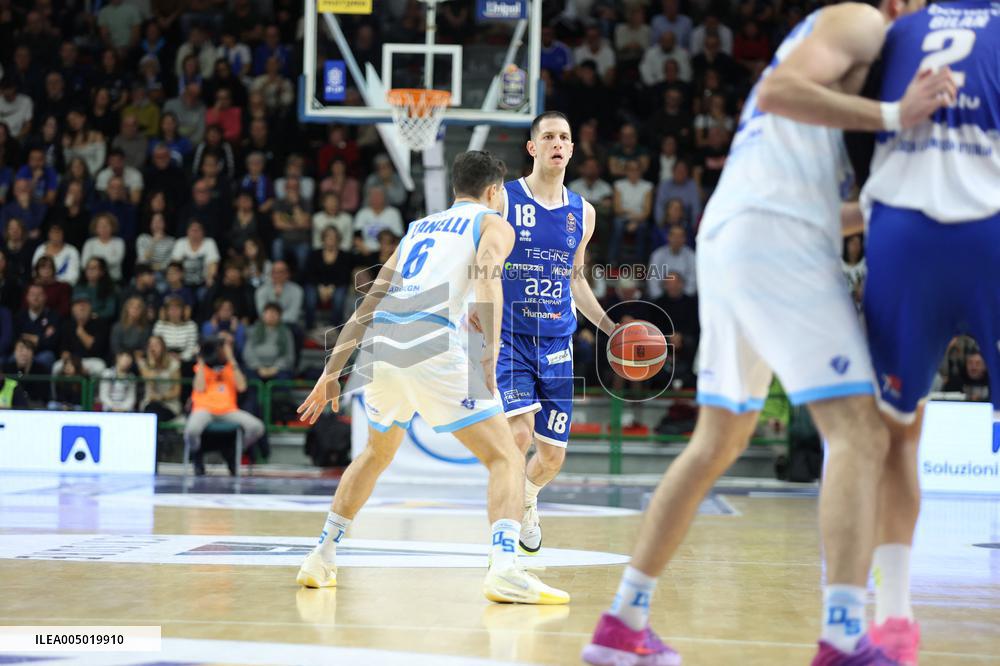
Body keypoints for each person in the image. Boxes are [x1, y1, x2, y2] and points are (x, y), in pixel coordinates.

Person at [582, 2, 955, 664]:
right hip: (774, 237)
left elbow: (821, 188)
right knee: (862, 432)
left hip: (740, 232)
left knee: (717, 441)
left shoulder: (839, 46)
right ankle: (843, 635)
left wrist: (881, 206)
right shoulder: (858, 21)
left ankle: (623, 623)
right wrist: (899, 116)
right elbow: (781, 92)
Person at [294, 150, 568, 604]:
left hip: (382, 348)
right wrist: (488, 354)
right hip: (434, 343)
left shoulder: (418, 228)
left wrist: (331, 372)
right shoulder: (493, 223)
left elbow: (370, 301)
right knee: (507, 458)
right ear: (495, 191)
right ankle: (504, 567)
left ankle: (320, 556)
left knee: (375, 454)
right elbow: (486, 278)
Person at [855, 7, 1000, 664]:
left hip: (903, 237)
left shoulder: (883, 34)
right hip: (991, 232)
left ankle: (894, 620)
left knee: (896, 432)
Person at [499, 112, 617, 555]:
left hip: (557, 342)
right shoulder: (505, 199)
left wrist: (608, 327)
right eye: (548, 136)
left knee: (551, 457)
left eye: (564, 137)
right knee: (518, 436)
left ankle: (528, 499)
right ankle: (504, 539)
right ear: (533, 147)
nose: (557, 143)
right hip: (510, 337)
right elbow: (481, 260)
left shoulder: (583, 213)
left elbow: (575, 279)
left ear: (571, 149)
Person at [184, 336, 265, 475]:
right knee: (191, 431)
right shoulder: (201, 367)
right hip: (203, 409)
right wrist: (201, 359)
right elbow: (199, 387)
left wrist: (231, 359)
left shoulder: (230, 368)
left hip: (229, 411)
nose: (218, 352)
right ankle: (196, 454)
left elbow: (242, 387)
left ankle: (234, 452)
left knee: (257, 427)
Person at [138, 335, 182, 421]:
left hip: (169, 404)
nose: (153, 348)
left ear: (163, 347)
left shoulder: (173, 364)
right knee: (152, 410)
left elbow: (176, 391)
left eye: (156, 345)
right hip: (149, 403)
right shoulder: (143, 364)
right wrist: (152, 364)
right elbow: (150, 383)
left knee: (155, 415)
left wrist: (160, 397)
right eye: (150, 345)